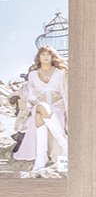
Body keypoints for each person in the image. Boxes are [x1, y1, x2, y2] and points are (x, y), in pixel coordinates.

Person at [18, 46, 67, 174]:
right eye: (42, 54)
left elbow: (65, 91)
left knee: (39, 115)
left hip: (58, 105)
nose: (45, 57)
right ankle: (64, 146)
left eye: (48, 54)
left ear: (52, 57)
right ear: (39, 57)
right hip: (39, 104)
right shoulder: (33, 75)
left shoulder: (60, 73)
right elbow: (31, 94)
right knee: (41, 107)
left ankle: (42, 157)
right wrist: (35, 100)